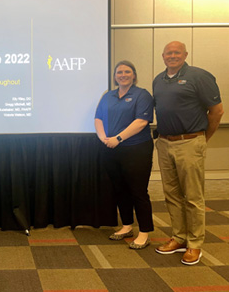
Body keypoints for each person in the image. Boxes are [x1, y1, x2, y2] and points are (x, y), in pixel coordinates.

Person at [153, 41, 224, 265]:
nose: (172, 56)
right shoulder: (158, 79)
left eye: (176, 52)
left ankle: (195, 244)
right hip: (164, 143)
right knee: (172, 194)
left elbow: (217, 111)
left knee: (193, 197)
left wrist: (202, 139)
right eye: (168, 53)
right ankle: (179, 237)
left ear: (185, 54)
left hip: (190, 142)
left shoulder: (199, 76)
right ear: (163, 56)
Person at [95, 60, 154, 249]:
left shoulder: (142, 95)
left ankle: (144, 232)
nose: (123, 75)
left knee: (138, 191)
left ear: (134, 75)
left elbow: (141, 122)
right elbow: (98, 118)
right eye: (119, 72)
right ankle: (127, 226)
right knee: (120, 189)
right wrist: (104, 138)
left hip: (137, 149)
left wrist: (118, 138)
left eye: (127, 71)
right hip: (111, 149)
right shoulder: (108, 96)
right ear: (114, 76)